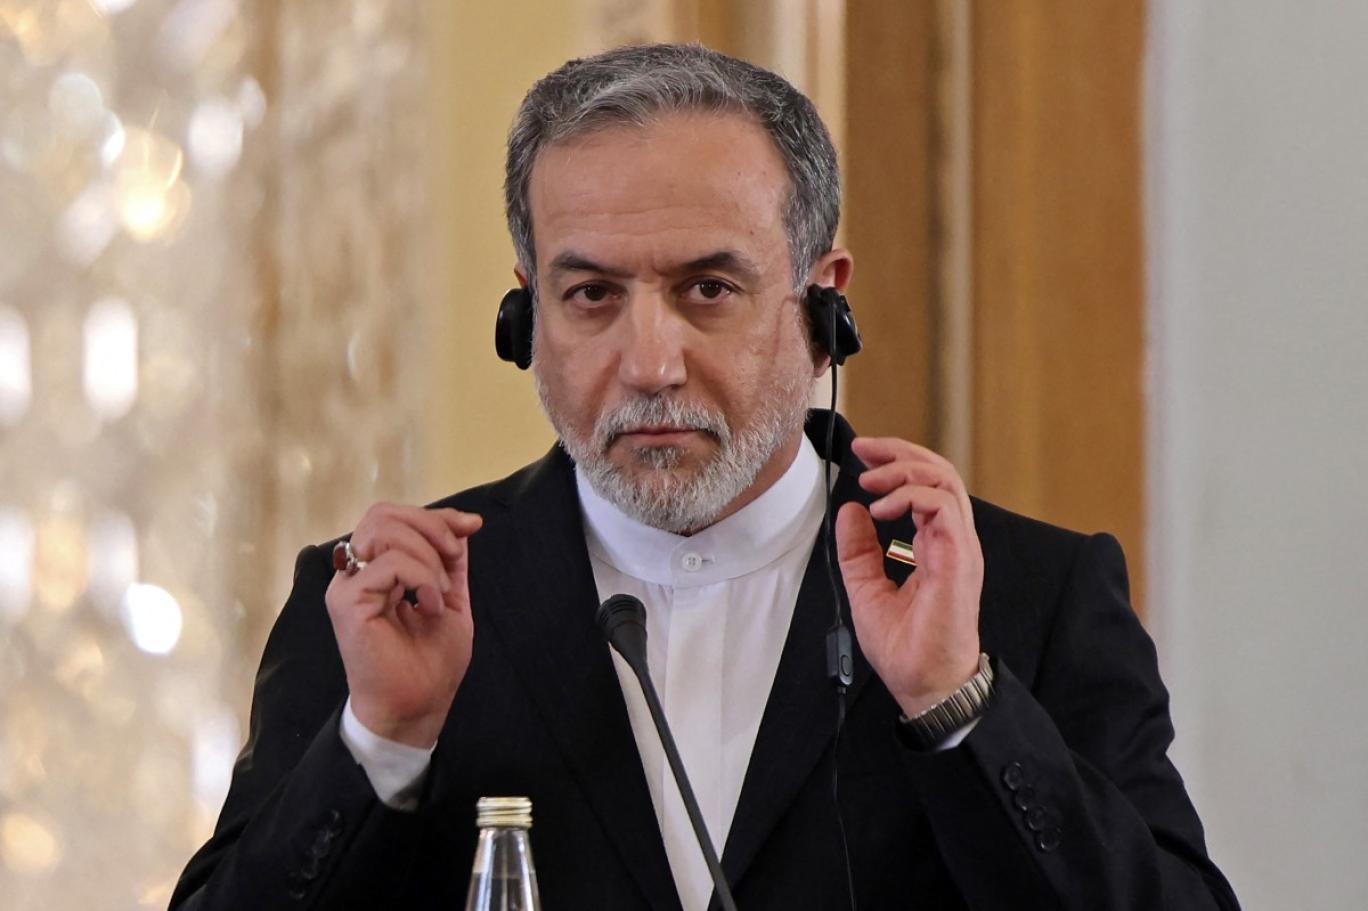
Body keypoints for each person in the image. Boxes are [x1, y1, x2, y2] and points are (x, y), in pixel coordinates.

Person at [171, 44, 1240, 910]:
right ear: (526, 315)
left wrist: (958, 702)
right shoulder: (391, 609)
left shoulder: (1027, 595)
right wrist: (380, 744)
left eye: (708, 289)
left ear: (824, 307)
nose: (650, 362)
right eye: (591, 296)